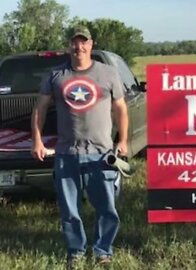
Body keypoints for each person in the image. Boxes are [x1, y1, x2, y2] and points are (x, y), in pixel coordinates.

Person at [31, 26, 128, 267]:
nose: (79, 47)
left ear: (91, 44)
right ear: (69, 46)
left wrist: (123, 140)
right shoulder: (56, 75)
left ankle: (103, 250)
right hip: (67, 153)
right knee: (69, 210)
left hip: (101, 153)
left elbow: (120, 109)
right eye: (74, 42)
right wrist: (37, 140)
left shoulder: (108, 73)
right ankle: (76, 250)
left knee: (106, 208)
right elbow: (39, 109)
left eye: (83, 42)